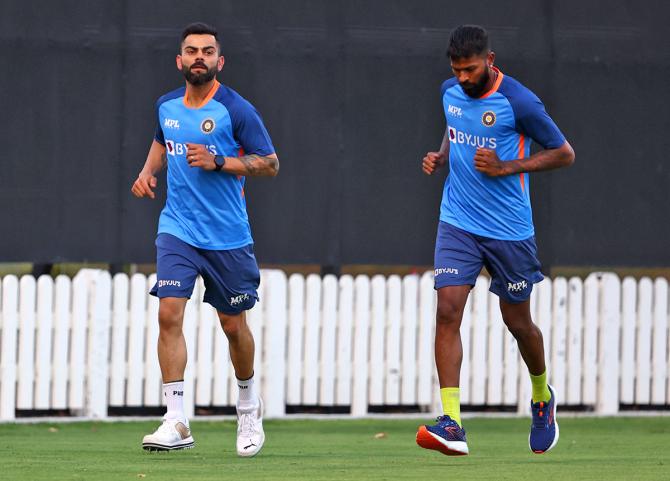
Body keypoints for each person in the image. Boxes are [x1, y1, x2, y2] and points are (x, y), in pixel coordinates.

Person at [416, 25, 574, 456]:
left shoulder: (519, 101)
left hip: (509, 230)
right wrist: (443, 156)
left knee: (518, 323)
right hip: (458, 221)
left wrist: (507, 166)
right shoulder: (449, 91)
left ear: (490, 59)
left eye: (470, 69)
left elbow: (564, 153)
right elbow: (454, 130)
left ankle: (542, 396)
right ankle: (452, 423)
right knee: (447, 309)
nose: (463, 78)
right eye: (457, 70)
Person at [131, 22, 279, 457]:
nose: (200, 57)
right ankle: (176, 419)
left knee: (233, 326)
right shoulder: (166, 106)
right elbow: (163, 141)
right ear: (180, 61)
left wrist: (220, 162)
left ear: (219, 61)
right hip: (177, 228)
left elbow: (269, 164)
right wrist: (146, 173)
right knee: (168, 314)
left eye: (207, 51)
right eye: (192, 51)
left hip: (227, 237)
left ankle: (249, 405)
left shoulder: (237, 109)